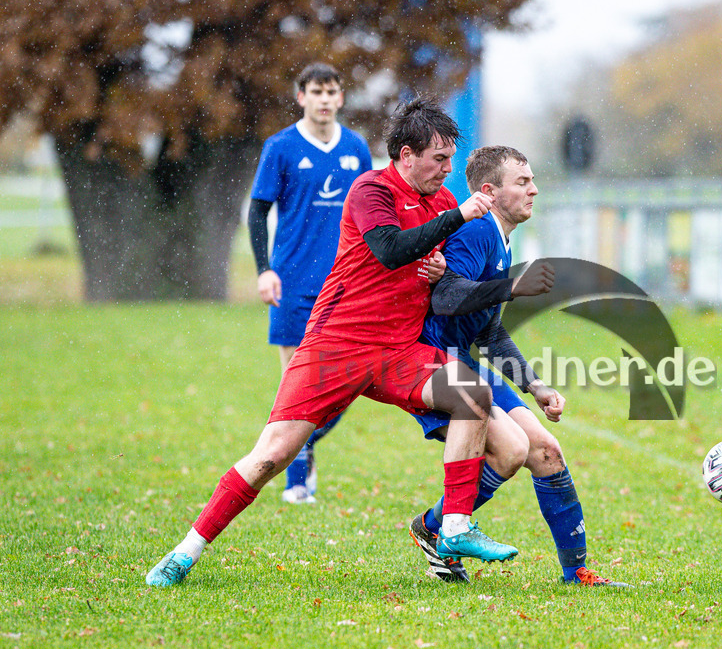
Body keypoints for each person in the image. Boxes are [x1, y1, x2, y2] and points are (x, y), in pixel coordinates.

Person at [146, 98, 518, 587]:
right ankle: (185, 552)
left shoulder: (445, 201)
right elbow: (389, 250)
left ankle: (453, 527)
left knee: (472, 393)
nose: (448, 171)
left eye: (450, 159)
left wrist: (443, 271)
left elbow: (442, 271)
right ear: (406, 155)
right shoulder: (370, 189)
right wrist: (455, 221)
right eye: (439, 160)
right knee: (271, 457)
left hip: (398, 351)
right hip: (335, 347)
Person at [406, 145, 630, 586]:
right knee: (510, 452)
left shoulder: (501, 239)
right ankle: (436, 529)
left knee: (546, 451)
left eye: (532, 181)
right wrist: (511, 287)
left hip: (467, 360)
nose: (534, 190)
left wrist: (536, 385)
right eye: (522, 182)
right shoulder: (475, 234)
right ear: (489, 191)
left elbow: (487, 330)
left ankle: (577, 573)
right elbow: (445, 299)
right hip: (432, 364)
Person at [247, 62, 373, 504]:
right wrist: (265, 268)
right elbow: (257, 210)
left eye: (331, 91)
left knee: (349, 380)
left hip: (345, 284)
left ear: (341, 97)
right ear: (301, 97)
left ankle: (305, 446)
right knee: (294, 385)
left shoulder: (357, 149)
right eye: (316, 91)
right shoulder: (280, 147)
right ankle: (296, 481)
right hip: (293, 281)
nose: (324, 99)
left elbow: (371, 216)